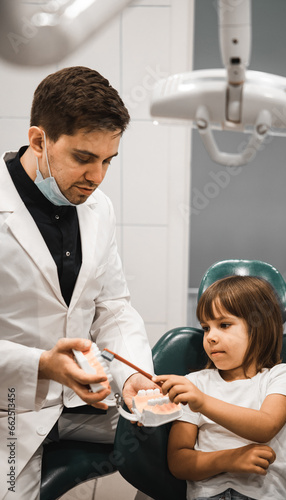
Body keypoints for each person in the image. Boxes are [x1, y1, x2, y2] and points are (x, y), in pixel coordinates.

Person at [0, 66, 156, 499]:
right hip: (10, 407)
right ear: (39, 141)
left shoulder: (97, 208)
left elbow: (114, 307)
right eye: (84, 158)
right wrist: (41, 365)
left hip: (83, 404)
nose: (97, 177)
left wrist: (133, 379)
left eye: (108, 161)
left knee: (183, 435)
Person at [154, 275, 286, 500]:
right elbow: (179, 462)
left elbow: (265, 426)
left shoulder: (280, 376)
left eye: (224, 325)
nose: (211, 337)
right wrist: (230, 459)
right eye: (206, 328)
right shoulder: (195, 384)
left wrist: (203, 403)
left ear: (259, 327)